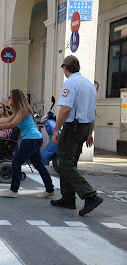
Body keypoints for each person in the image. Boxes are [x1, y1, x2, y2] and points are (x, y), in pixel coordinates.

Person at [51, 55, 102, 216]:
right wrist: (90, 133)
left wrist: (56, 130)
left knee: (64, 163)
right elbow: (93, 111)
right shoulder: (89, 85)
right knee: (71, 162)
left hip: (72, 128)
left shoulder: (71, 83)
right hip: (85, 127)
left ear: (65, 68)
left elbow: (65, 109)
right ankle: (67, 198)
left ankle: (90, 195)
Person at [0, 89, 55, 198]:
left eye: (10, 97)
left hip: (31, 140)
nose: (8, 99)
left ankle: (13, 190)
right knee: (39, 165)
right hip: (34, 140)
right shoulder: (19, 111)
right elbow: (6, 121)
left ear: (15, 98)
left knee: (16, 162)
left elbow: (12, 124)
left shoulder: (22, 110)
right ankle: (50, 190)